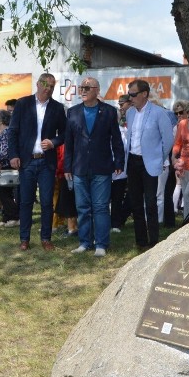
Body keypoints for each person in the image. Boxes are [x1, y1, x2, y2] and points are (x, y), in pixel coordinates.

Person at [64, 77, 124, 257]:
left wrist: (119, 161)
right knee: (82, 207)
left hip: (102, 166)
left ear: (97, 90)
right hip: (79, 168)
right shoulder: (73, 112)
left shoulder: (109, 111)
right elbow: (69, 142)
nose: (82, 90)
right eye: (81, 87)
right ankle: (84, 242)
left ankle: (101, 244)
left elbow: (116, 139)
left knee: (100, 207)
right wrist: (67, 166)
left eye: (87, 87)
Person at [8, 73, 67, 251]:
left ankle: (46, 238)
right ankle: (24, 239)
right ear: (38, 84)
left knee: (47, 202)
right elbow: (13, 132)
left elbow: (65, 134)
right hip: (27, 161)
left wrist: (53, 142)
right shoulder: (23, 104)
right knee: (25, 201)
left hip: (46, 162)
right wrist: (13, 155)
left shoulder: (57, 108)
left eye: (51, 86)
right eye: (45, 85)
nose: (48, 88)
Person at [125, 79, 174, 249]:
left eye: (133, 94)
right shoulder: (130, 113)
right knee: (136, 203)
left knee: (151, 203)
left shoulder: (159, 113)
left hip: (150, 163)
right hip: (133, 161)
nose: (130, 98)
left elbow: (168, 140)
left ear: (144, 94)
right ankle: (141, 242)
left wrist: (158, 157)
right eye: (129, 94)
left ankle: (153, 241)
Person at [0, 109, 20, 227]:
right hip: (2, 165)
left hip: (6, 165)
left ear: (2, 120)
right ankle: (7, 217)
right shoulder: (2, 132)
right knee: (4, 192)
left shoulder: (7, 132)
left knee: (3, 192)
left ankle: (15, 216)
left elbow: (5, 150)